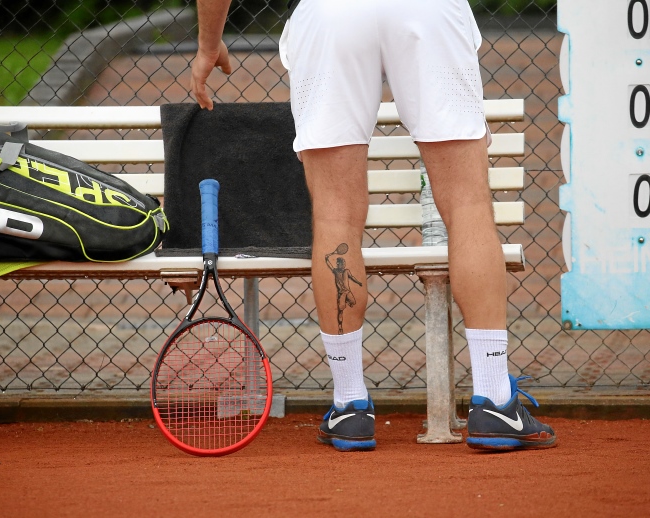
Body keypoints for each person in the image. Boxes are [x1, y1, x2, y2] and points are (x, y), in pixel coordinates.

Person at [189, 0, 556, 452]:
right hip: (426, 10)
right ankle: (496, 400)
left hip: (331, 14)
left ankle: (349, 406)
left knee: (335, 213)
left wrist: (209, 43)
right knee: (467, 204)